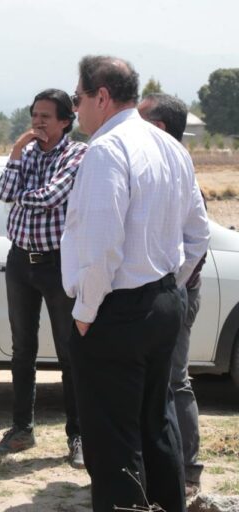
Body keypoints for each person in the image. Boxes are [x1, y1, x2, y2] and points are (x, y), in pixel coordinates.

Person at [62, 56, 210, 512]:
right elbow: (198, 233)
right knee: (156, 423)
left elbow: (102, 246)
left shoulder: (107, 150)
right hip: (164, 301)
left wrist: (86, 314)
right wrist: (169, 287)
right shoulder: (170, 147)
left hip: (117, 311)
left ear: (101, 96)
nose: (76, 110)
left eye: (77, 99)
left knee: (113, 443)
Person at [0, 89, 87, 468]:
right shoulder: (26, 153)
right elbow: (3, 192)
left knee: (69, 351)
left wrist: (20, 193)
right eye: (34, 114)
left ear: (66, 121)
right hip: (20, 262)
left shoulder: (77, 154)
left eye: (46, 116)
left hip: (57, 263)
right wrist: (15, 154)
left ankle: (78, 436)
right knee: (22, 349)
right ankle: (21, 429)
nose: (38, 122)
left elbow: (52, 195)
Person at [138, 92, 207, 498]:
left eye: (140, 119)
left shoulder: (177, 168)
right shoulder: (160, 164)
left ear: (159, 128)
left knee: (174, 382)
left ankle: (186, 473)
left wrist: (169, 289)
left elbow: (193, 243)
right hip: (164, 293)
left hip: (174, 293)